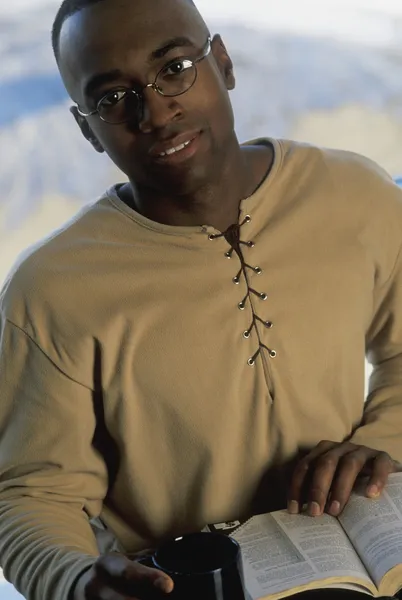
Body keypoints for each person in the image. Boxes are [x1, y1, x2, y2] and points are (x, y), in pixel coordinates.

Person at [0, 0, 402, 598]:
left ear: (223, 62)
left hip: (360, 550)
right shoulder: (49, 290)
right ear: (87, 128)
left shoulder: (357, 194)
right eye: (113, 98)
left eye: (175, 67)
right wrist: (79, 582)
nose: (157, 111)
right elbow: (33, 496)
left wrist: (381, 442)